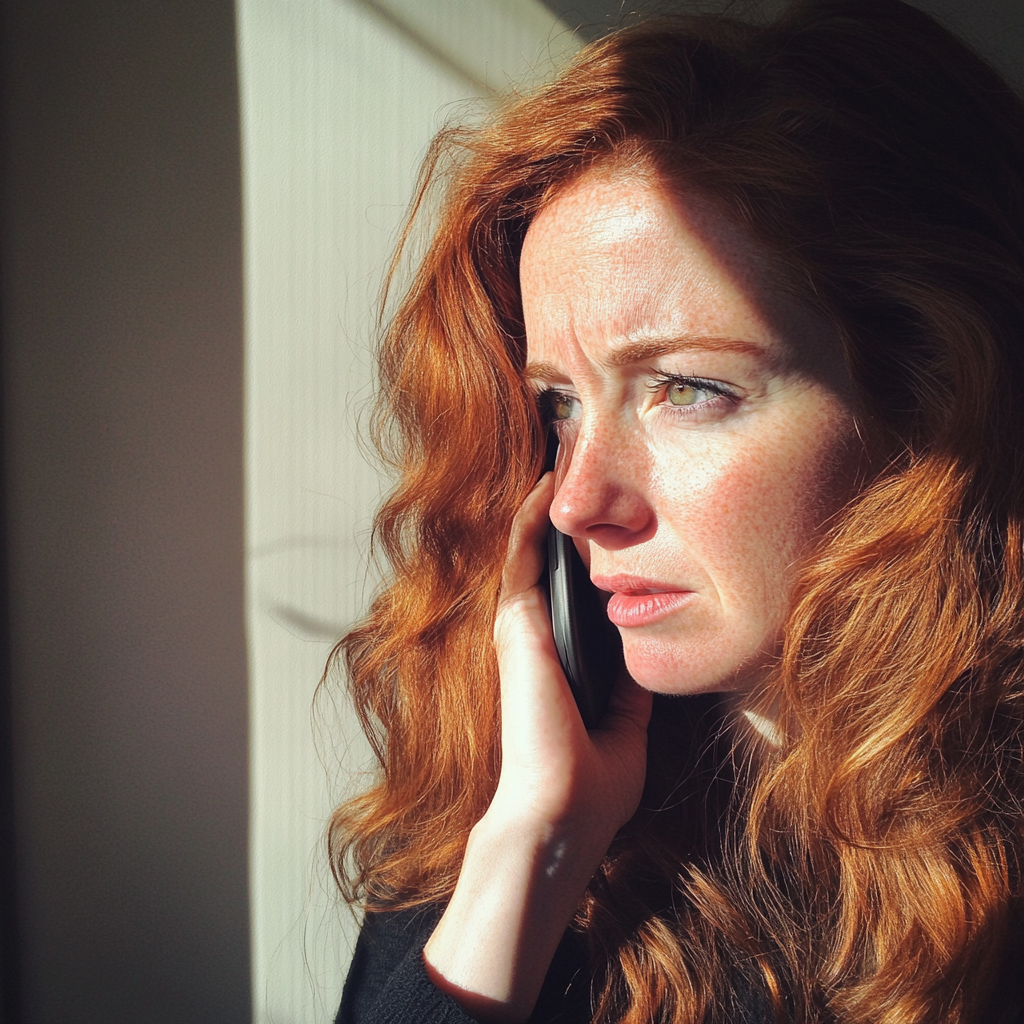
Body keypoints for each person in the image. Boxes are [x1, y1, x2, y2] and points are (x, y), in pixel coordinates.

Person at [328, 1, 1024, 1021]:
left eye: (687, 388)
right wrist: (533, 841)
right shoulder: (502, 784)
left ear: (931, 399)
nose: (575, 500)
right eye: (558, 401)